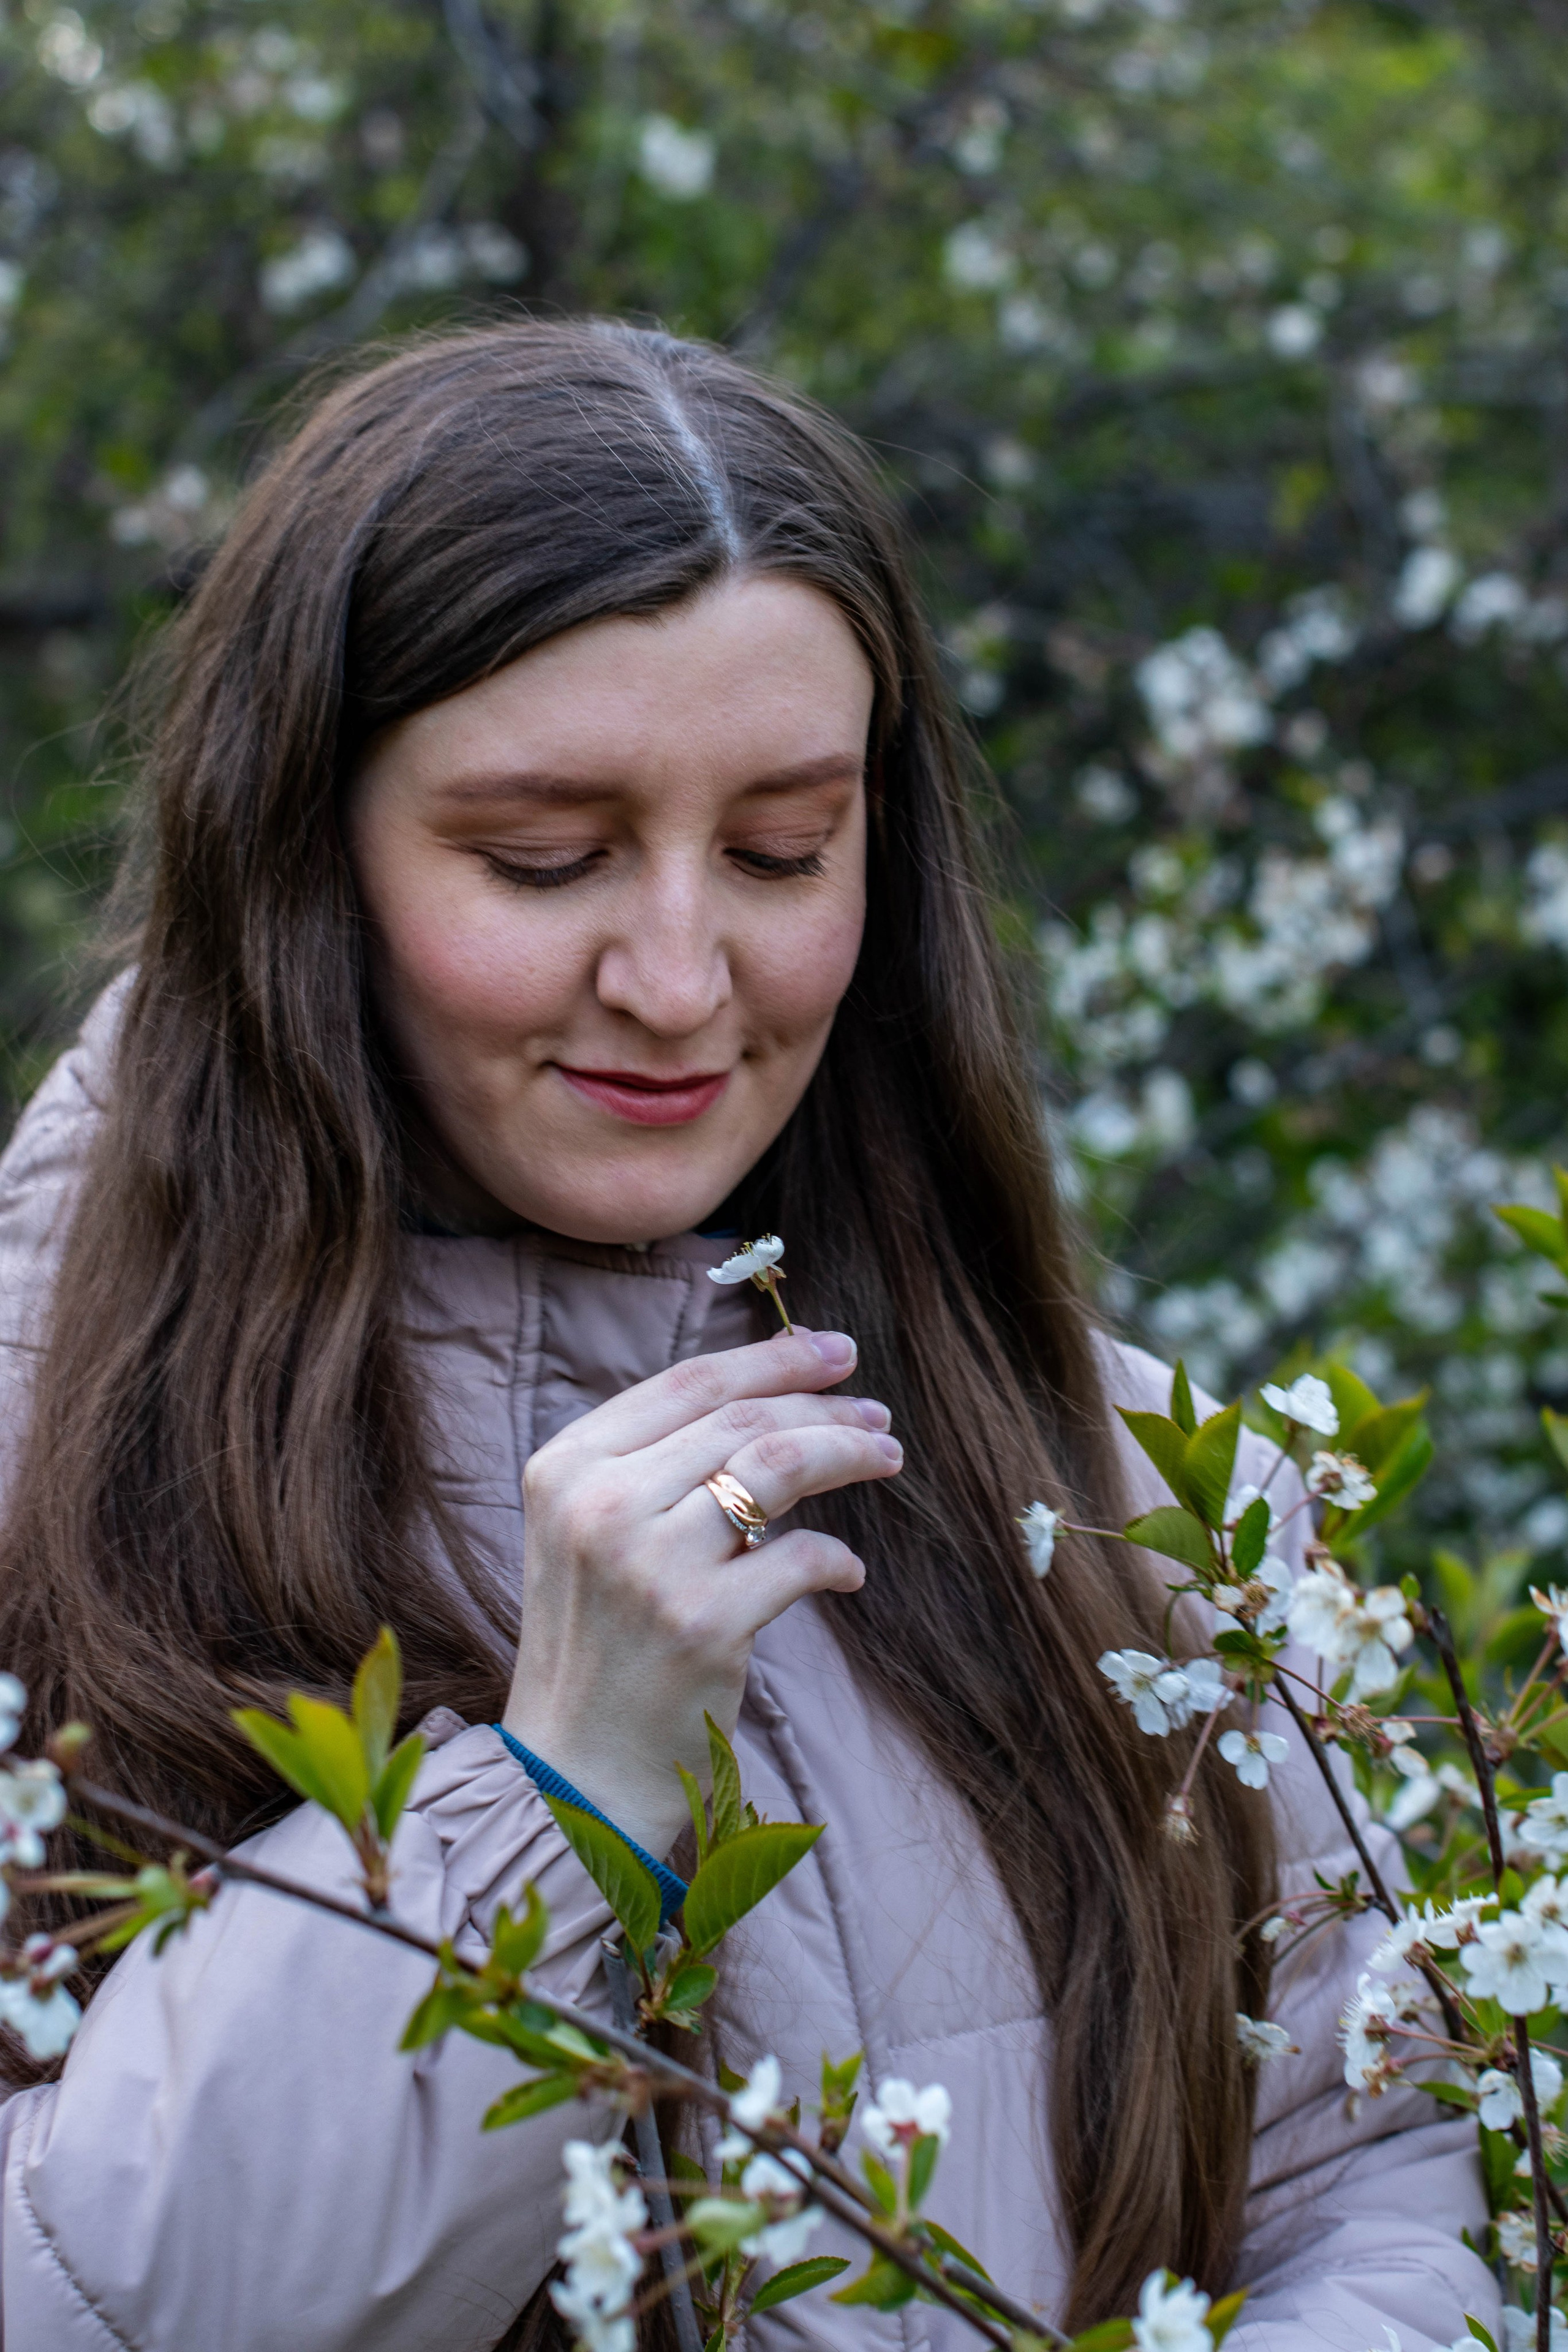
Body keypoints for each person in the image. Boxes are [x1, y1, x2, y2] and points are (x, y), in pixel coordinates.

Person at [0, 322, 1489, 2352]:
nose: (685, 978)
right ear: (301, 853)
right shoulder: (42, 1463)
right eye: (547, 858)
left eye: (786, 849)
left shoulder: (1132, 1483)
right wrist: (561, 1787)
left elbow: (1371, 2180)